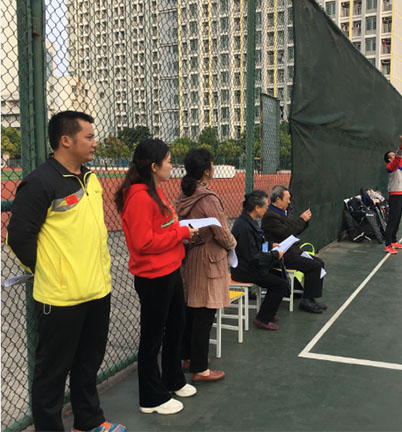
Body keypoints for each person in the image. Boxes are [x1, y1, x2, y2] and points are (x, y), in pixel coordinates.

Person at [6, 111, 125, 432]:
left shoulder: (90, 178)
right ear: (66, 140)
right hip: (60, 297)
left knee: (88, 364)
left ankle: (89, 421)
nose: (95, 142)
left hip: (97, 290)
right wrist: (47, 269)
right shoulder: (40, 182)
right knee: (52, 375)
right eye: (89, 136)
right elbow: (18, 237)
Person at [115, 139, 198, 415]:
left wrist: (178, 231)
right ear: (154, 166)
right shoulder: (139, 197)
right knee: (152, 337)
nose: (171, 165)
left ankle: (172, 379)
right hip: (153, 276)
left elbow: (164, 227)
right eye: (168, 161)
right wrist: (181, 233)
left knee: (176, 326)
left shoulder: (154, 191)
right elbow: (143, 242)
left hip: (170, 269)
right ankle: (151, 398)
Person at [176, 148, 235, 382]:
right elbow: (222, 232)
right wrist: (233, 244)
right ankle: (200, 369)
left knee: (191, 310)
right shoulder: (208, 198)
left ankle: (188, 357)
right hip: (209, 259)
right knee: (204, 314)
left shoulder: (184, 195)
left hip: (190, 257)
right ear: (206, 170)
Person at [261, 185, 327, 314]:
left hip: (292, 252)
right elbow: (287, 233)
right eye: (287, 198)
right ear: (278, 199)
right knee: (314, 266)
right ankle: (306, 301)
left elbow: (294, 230)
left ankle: (310, 297)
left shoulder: (282, 213)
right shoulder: (270, 216)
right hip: (282, 255)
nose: (289, 201)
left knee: (319, 263)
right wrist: (302, 219)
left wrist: (304, 221)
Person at [230, 190, 287, 330]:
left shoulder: (249, 221)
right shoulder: (244, 227)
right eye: (265, 207)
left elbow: (256, 245)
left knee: (279, 276)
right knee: (280, 285)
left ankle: (269, 311)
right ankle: (263, 319)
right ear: (257, 207)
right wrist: (274, 255)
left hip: (250, 266)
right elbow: (252, 256)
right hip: (245, 270)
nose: (267, 209)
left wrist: (271, 246)